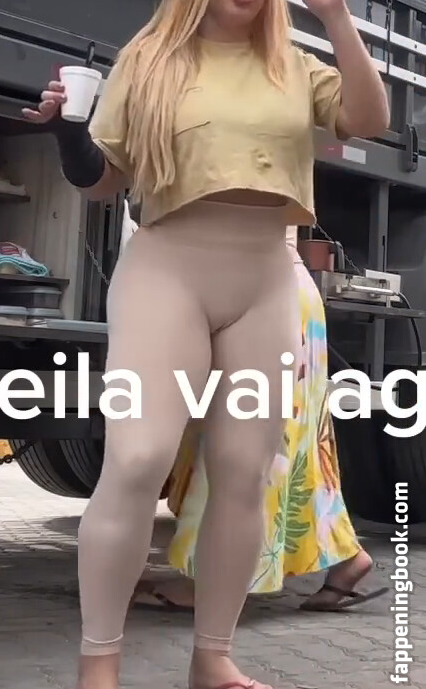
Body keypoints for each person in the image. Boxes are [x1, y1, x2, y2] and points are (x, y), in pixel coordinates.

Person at [23, 0, 389, 689]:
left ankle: (212, 659)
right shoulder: (150, 58)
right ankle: (96, 671)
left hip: (264, 279)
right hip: (168, 272)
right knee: (136, 457)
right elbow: (101, 181)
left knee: (243, 471)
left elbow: (368, 116)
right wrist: (67, 132)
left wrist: (335, 16)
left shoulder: (292, 64)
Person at [133, 226, 387, 613]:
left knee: (237, 437)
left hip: (257, 292)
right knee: (290, 444)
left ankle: (212, 579)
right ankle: (345, 557)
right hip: (277, 287)